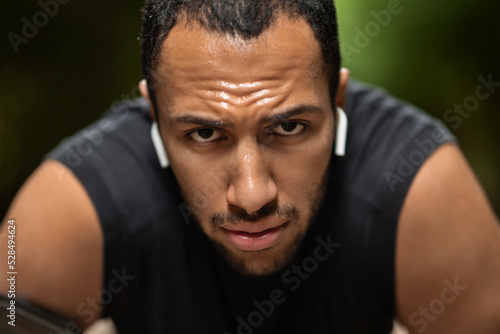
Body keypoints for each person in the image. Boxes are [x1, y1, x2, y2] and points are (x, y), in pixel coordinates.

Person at [1, 0, 499, 333]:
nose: (253, 194)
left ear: (338, 100)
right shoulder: (70, 207)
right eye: (204, 134)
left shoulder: (421, 193)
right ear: (153, 115)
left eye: (288, 129)